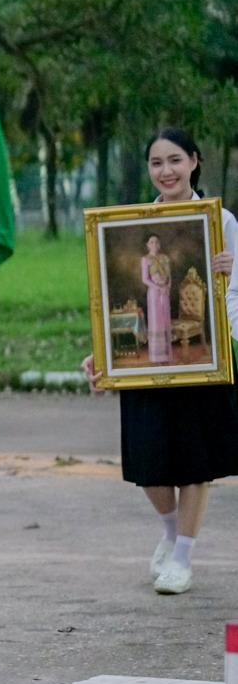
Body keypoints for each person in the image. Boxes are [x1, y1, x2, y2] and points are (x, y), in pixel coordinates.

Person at [82, 126, 238, 596]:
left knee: (195, 462)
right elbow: (112, 297)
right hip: (146, 361)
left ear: (194, 161)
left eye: (174, 160)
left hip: (208, 358)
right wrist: (103, 355)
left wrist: (227, 297)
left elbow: (236, 295)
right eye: (156, 163)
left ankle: (183, 558)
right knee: (149, 462)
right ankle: (170, 535)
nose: (166, 171)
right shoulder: (129, 227)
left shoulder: (221, 222)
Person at [142, 236, 173, 364]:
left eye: (156, 242)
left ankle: (167, 355)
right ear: (148, 245)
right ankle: (156, 357)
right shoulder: (145, 260)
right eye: (151, 242)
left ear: (159, 245)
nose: (154, 244)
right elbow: (145, 279)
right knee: (156, 322)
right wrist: (159, 288)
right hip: (154, 293)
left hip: (165, 293)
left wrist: (167, 287)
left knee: (165, 320)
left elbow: (170, 276)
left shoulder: (165, 258)